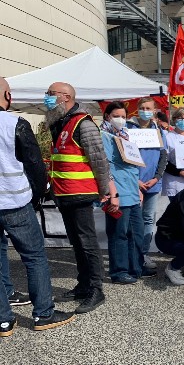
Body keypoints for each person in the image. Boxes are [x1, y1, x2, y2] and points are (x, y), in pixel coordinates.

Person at [0, 77, 74, 337]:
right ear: (7, 96)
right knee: (34, 257)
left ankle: (3, 321)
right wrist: (39, 193)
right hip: (14, 202)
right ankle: (44, 313)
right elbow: (34, 164)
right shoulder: (14, 124)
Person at [46, 82, 109, 313]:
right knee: (77, 241)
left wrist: (104, 190)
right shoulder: (60, 121)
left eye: (51, 94)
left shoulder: (83, 123)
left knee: (87, 242)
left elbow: (99, 159)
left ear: (66, 97)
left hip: (80, 191)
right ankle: (83, 285)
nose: (47, 98)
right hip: (64, 192)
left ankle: (96, 289)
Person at [100, 101, 151, 284]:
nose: (120, 119)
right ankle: (119, 271)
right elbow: (104, 166)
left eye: (123, 116)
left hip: (131, 191)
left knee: (137, 232)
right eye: (116, 116)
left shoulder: (125, 136)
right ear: (107, 116)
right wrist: (111, 193)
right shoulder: (103, 136)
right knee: (118, 233)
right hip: (117, 193)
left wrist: (137, 187)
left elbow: (131, 165)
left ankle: (135, 267)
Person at [126, 97, 167, 271]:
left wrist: (157, 178)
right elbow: (123, 155)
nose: (145, 110)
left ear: (154, 111)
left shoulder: (158, 130)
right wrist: (135, 180)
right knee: (131, 220)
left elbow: (163, 156)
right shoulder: (128, 128)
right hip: (133, 182)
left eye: (148, 108)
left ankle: (143, 253)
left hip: (152, 184)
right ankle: (131, 255)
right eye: (142, 107)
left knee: (149, 219)